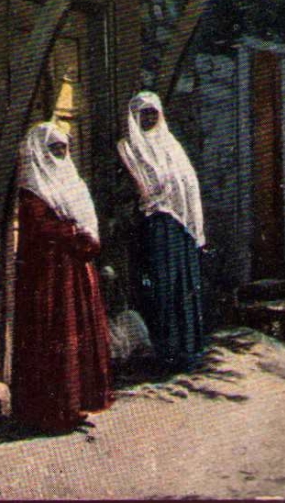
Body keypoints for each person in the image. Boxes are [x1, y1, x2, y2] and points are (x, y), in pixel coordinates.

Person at [10, 121, 113, 434]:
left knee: (78, 334)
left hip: (75, 268)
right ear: (38, 152)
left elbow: (85, 218)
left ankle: (77, 403)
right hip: (48, 274)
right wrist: (72, 232)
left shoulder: (70, 181)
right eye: (52, 149)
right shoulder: (33, 187)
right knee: (53, 334)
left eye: (62, 148)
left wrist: (85, 236)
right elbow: (39, 226)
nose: (57, 154)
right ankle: (50, 411)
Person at [117, 89, 205, 373]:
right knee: (161, 289)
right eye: (143, 114)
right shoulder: (128, 149)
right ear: (134, 117)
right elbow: (132, 191)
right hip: (153, 225)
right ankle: (165, 354)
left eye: (153, 113)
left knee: (184, 286)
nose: (149, 119)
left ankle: (187, 351)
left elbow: (187, 186)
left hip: (181, 226)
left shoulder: (171, 145)